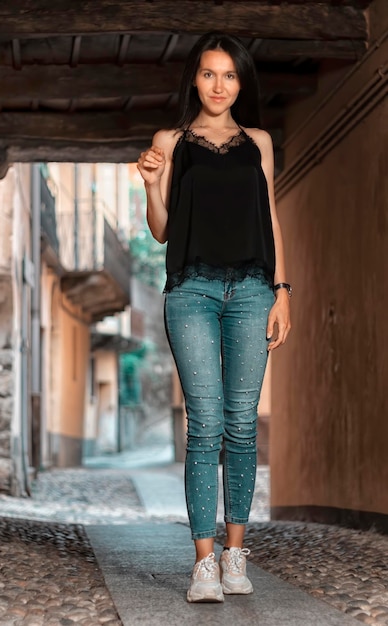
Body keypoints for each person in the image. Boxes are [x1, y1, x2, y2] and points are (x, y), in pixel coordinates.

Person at [137, 31, 291, 603]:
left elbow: (270, 217)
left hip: (253, 290)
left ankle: (235, 553)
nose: (219, 85)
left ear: (240, 81)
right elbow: (162, 229)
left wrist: (284, 290)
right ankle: (203, 564)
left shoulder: (259, 142)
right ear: (194, 79)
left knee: (242, 423)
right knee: (204, 424)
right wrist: (154, 183)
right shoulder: (170, 141)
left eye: (229, 75)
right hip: (192, 290)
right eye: (209, 74)